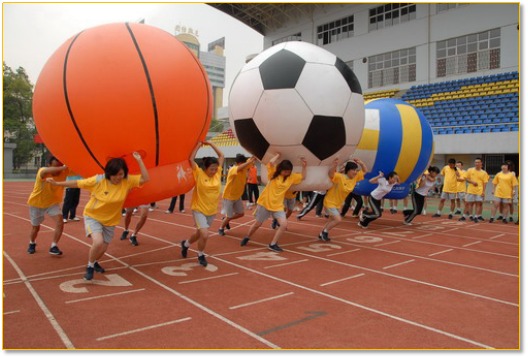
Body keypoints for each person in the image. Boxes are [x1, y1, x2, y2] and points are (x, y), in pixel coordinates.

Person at [47, 152, 149, 280]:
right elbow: (78, 183)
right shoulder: (98, 180)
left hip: (111, 220)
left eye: (121, 174)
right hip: (93, 216)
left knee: (104, 247)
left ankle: (94, 262)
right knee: (98, 242)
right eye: (115, 175)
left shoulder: (127, 181)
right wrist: (57, 184)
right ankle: (90, 266)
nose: (118, 177)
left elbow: (145, 179)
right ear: (108, 173)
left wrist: (139, 160)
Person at [241, 154, 307, 252]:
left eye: (288, 172)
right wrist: (278, 155)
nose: (286, 173)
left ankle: (273, 244)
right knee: (257, 224)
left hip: (278, 206)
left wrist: (304, 166)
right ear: (280, 169)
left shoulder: (291, 177)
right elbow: (271, 163)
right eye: (285, 171)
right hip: (265, 203)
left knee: (283, 225)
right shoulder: (273, 174)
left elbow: (303, 177)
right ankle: (247, 237)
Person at [180, 141, 225, 267]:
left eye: (216, 169)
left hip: (211, 211)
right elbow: (190, 159)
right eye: (211, 169)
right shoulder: (199, 173)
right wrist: (198, 146)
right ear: (205, 168)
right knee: (205, 234)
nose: (214, 171)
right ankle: (201, 255)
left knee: (199, 233)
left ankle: (186, 244)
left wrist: (211, 145)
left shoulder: (217, 173)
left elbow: (221, 156)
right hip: (199, 209)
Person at [27, 156, 69, 255]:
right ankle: (32, 243)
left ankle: (53, 246)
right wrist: (64, 167)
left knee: (60, 223)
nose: (57, 170)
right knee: (35, 228)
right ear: (49, 166)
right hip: (37, 203)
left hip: (52, 203)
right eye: (55, 167)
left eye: (59, 166)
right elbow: (49, 171)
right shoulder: (43, 171)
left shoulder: (64, 172)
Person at [320, 158, 368, 241]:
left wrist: (361, 163)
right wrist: (334, 165)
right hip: (330, 201)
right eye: (354, 170)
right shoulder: (340, 177)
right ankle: (325, 232)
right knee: (337, 219)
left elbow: (365, 171)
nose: (355, 172)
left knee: (332, 219)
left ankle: (322, 233)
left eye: (356, 170)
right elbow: (330, 174)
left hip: (337, 204)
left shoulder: (355, 178)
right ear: (348, 170)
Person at [218, 154, 256, 236]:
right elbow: (240, 167)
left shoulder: (245, 167)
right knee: (229, 215)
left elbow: (253, 159)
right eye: (241, 163)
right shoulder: (233, 169)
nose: (243, 165)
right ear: (237, 163)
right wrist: (248, 162)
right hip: (229, 196)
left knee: (241, 214)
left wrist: (254, 156)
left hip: (237, 196)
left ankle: (226, 219)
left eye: (244, 163)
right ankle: (221, 228)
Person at [460, 158, 490, 223]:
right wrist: (472, 182)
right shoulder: (470, 170)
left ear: (481, 163)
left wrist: (483, 191)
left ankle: (476, 216)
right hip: (470, 190)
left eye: (478, 162)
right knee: (468, 203)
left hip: (479, 191)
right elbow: (466, 178)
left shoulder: (484, 173)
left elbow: (485, 183)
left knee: (478, 204)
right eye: (475, 162)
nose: (476, 163)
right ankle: (465, 216)